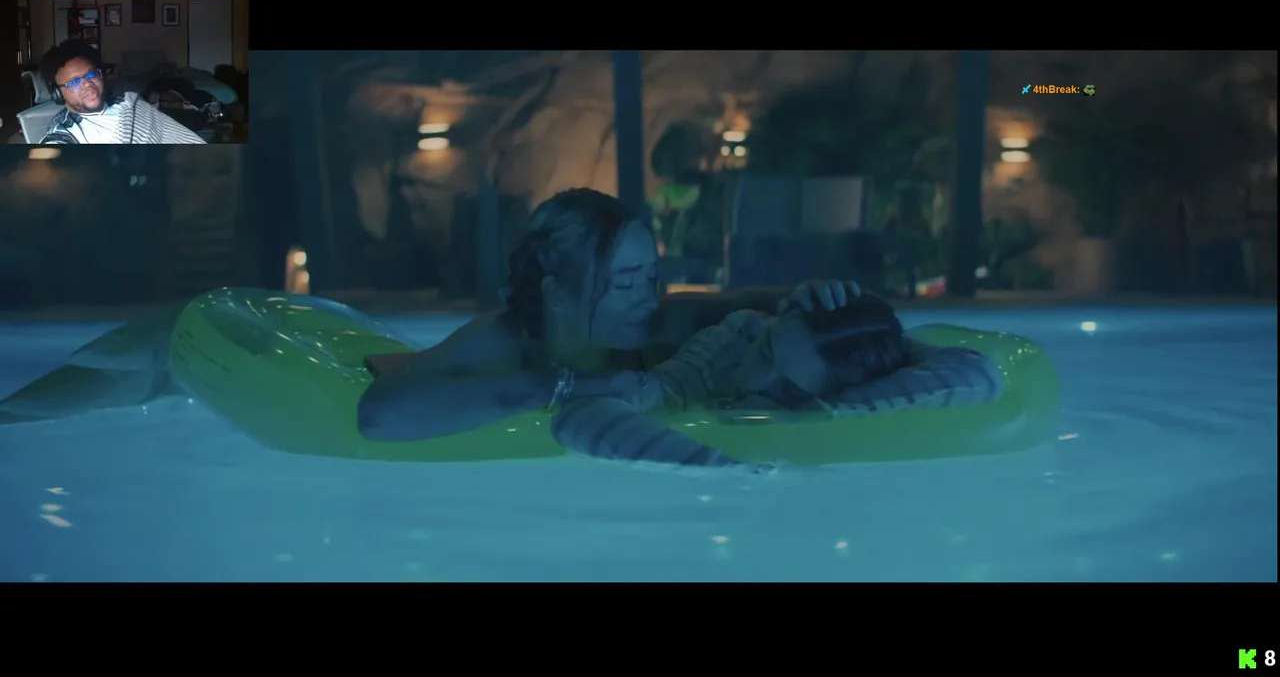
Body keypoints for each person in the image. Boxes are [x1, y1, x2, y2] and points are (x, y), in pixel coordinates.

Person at [357, 187, 862, 445]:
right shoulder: (503, 342)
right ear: (557, 295)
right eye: (624, 284)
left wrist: (806, 294)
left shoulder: (664, 325)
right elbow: (378, 415)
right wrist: (559, 387)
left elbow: (749, 303)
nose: (648, 299)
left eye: (651, 278)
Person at [550, 294, 1004, 471]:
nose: (752, 383)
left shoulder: (838, 407)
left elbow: (977, 373)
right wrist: (729, 470)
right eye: (765, 353)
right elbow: (584, 413)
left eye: (785, 390)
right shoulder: (727, 351)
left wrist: (824, 413)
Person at [36, 39, 206, 145]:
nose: (87, 84)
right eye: (74, 82)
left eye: (92, 74)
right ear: (57, 93)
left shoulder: (127, 102)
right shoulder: (64, 133)